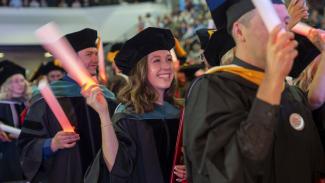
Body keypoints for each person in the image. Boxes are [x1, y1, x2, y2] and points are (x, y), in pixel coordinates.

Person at [183, 0, 325, 182]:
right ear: (240, 31)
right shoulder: (211, 89)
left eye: (286, 24)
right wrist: (272, 79)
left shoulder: (292, 94)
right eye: (272, 24)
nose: (284, 34)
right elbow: (226, 173)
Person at [84, 27, 184, 183]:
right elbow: (117, 166)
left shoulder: (181, 111)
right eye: (156, 60)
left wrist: (189, 169)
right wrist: (104, 115)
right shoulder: (128, 115)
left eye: (168, 59)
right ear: (141, 69)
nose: (166, 66)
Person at [18, 28, 117, 183]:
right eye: (89, 54)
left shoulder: (107, 97)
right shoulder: (45, 100)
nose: (95, 59)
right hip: (65, 175)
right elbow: (26, 146)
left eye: (95, 53)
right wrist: (52, 143)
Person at [0, 60, 31, 182]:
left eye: (22, 80)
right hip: (8, 153)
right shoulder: (1, 105)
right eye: (14, 81)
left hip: (28, 151)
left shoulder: (29, 104)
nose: (20, 84)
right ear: (6, 85)